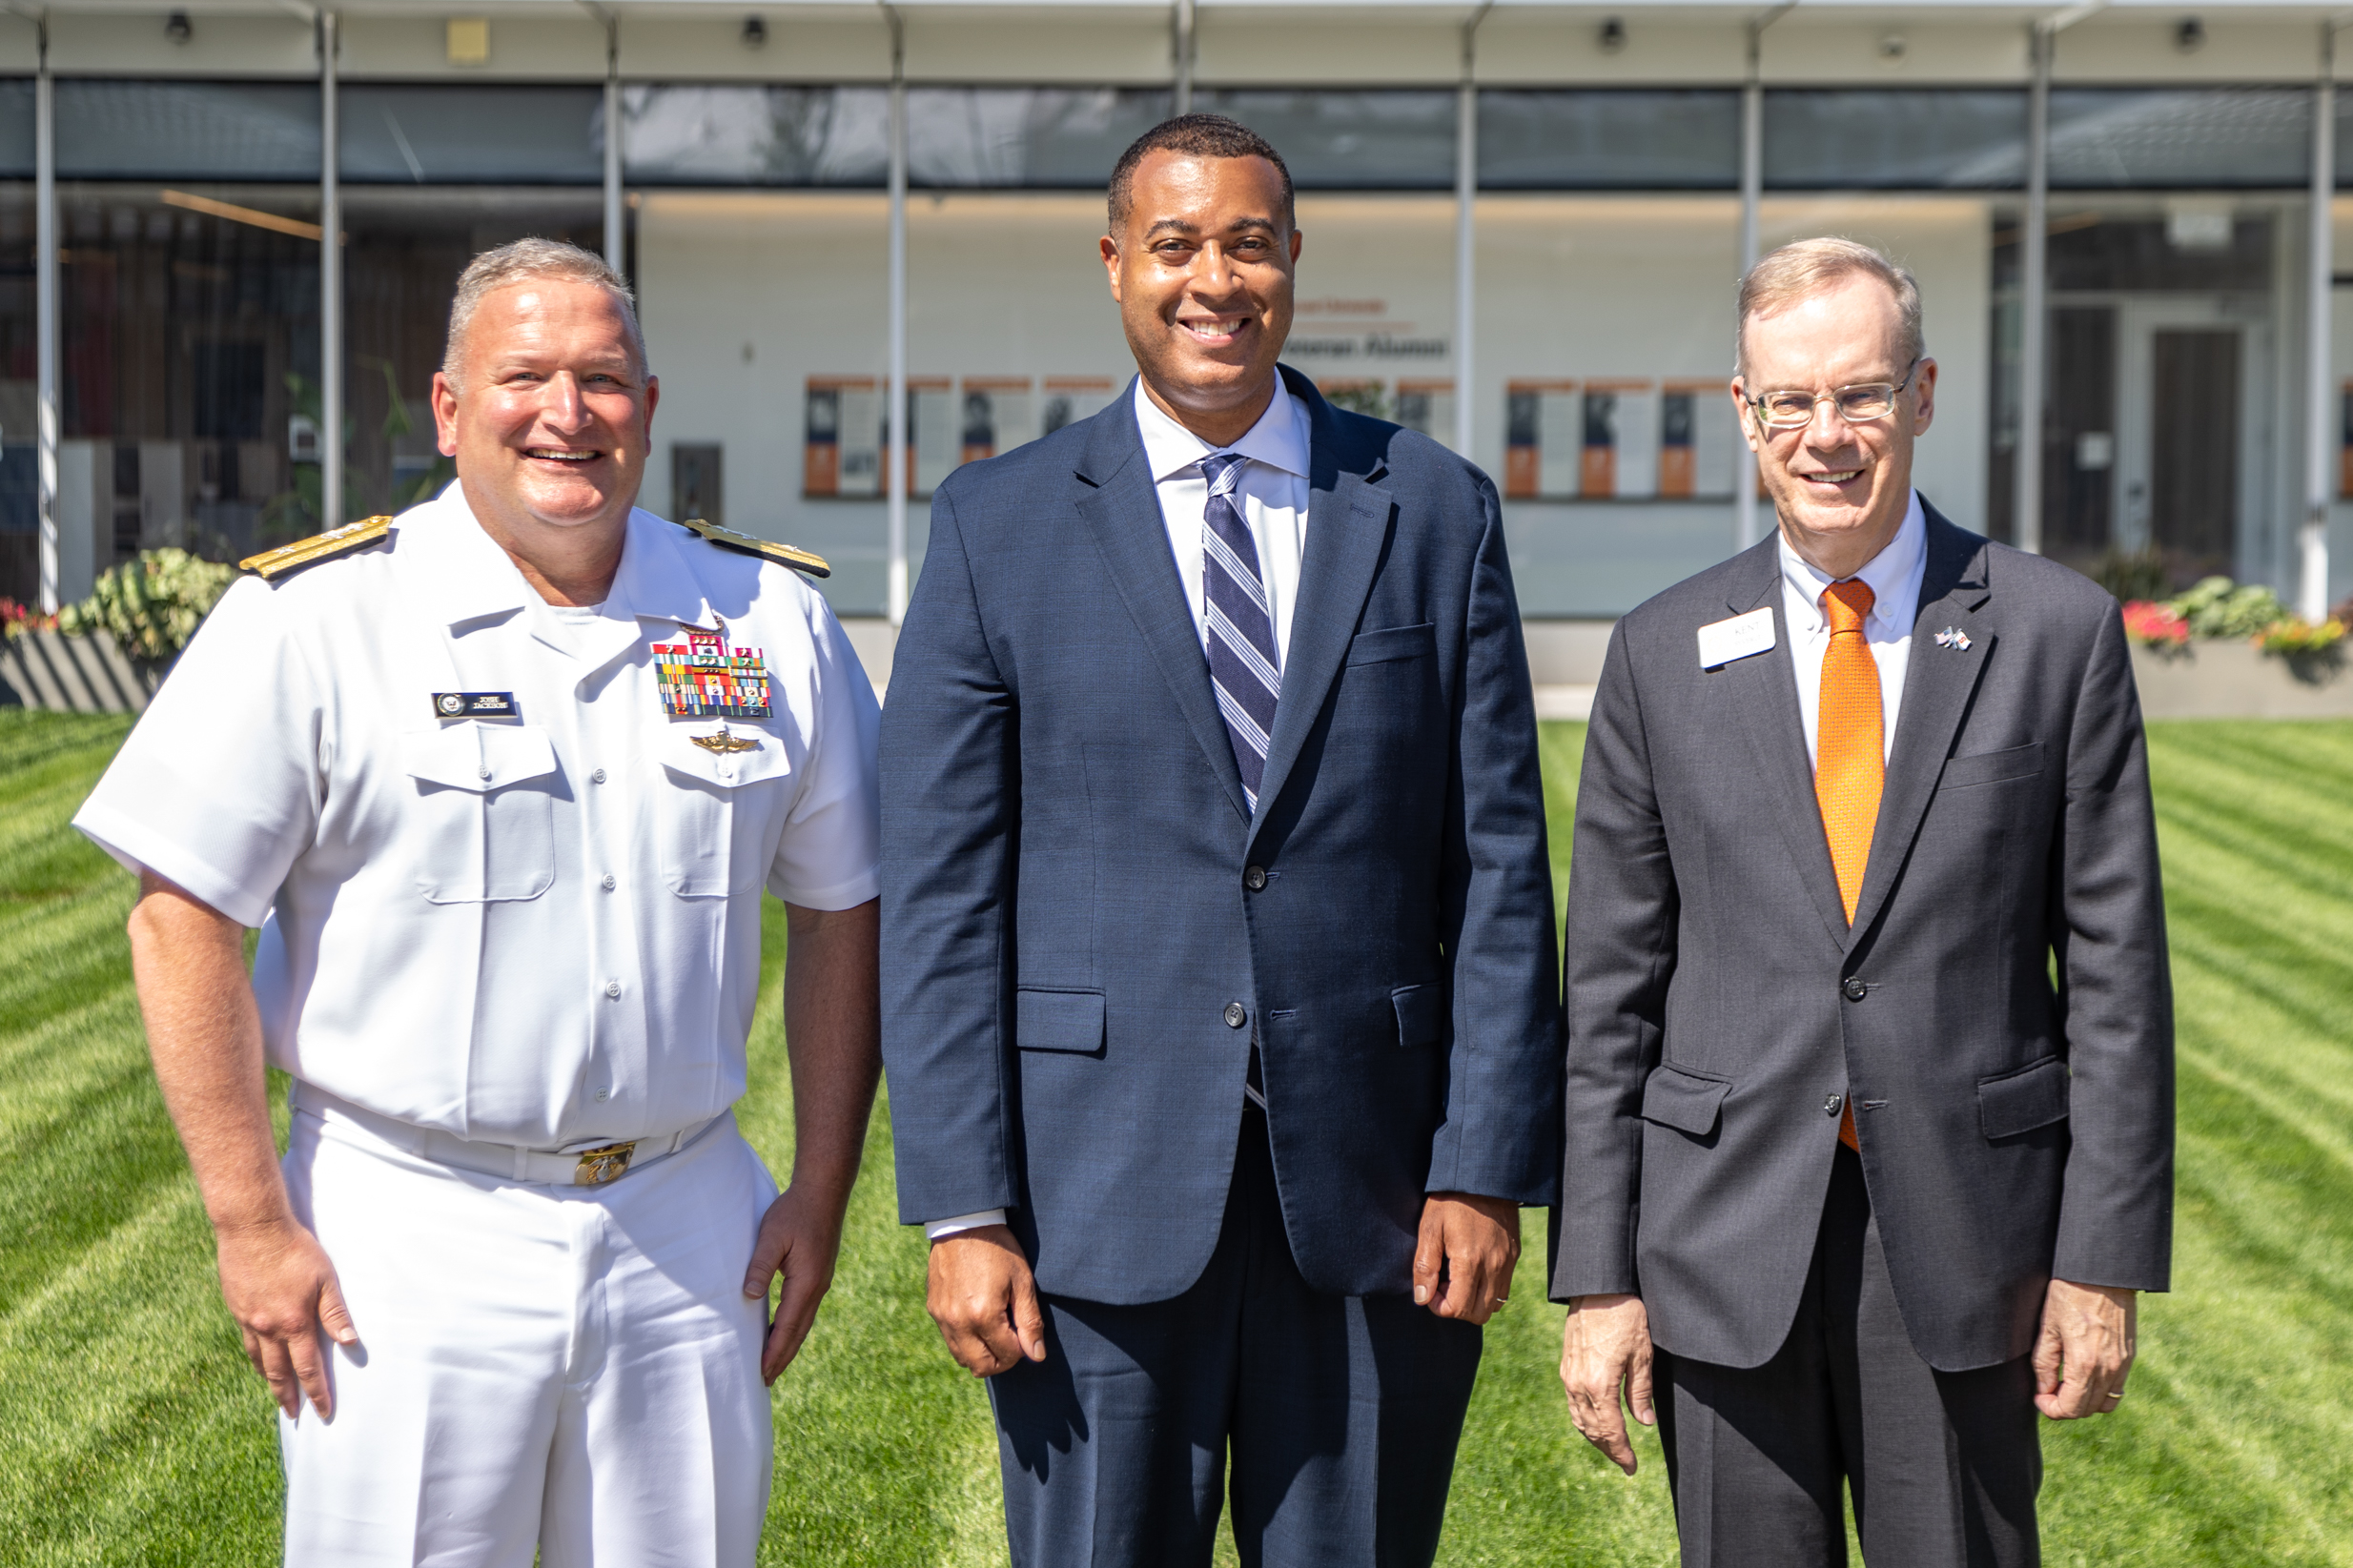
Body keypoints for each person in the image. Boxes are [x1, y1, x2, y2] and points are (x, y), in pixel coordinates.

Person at [73, 238, 883, 1566]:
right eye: (526, 377)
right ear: (450, 410)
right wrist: (249, 1221)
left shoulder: (763, 618)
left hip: (685, 1225)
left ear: (650, 405)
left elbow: (843, 905)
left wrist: (824, 1184)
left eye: (604, 379)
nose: (568, 413)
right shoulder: (319, 619)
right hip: (408, 1233)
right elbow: (181, 915)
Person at [878, 115, 1562, 1566]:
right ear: (1117, 264)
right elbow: (942, 899)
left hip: (1376, 1197)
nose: (1216, 279)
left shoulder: (1432, 509)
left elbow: (1499, 871)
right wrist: (962, 1204)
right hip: (1092, 1202)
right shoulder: (998, 524)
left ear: (1294, 260)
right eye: (1177, 244)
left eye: (1250, 242)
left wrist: (1481, 1161)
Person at [1553, 236, 2174, 1566]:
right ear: (1743, 410)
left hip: (1966, 1239)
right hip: (1723, 1238)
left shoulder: (2054, 633)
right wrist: (1599, 1274)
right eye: (1790, 400)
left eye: (1861, 393)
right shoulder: (1660, 650)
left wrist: (2101, 1259)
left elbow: (2118, 979)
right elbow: (1608, 988)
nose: (1824, 433)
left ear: (1925, 394)